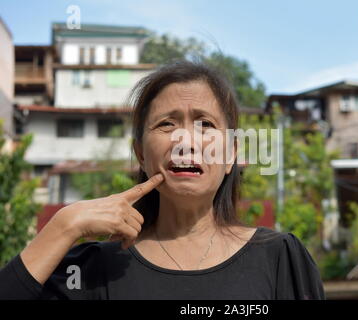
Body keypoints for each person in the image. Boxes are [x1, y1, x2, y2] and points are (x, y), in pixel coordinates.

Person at [0, 60, 325, 300]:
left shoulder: (280, 258)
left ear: (232, 156)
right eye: (167, 124)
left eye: (205, 125)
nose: (186, 141)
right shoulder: (92, 271)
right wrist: (63, 226)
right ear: (141, 153)